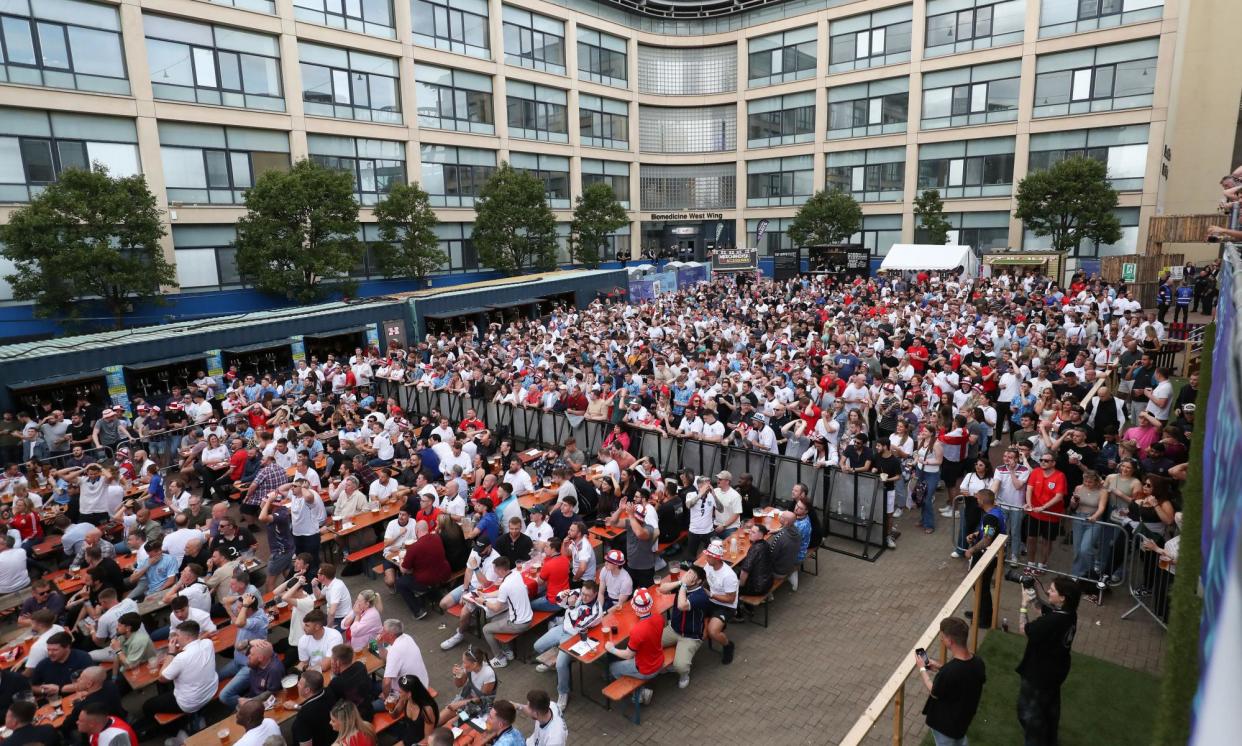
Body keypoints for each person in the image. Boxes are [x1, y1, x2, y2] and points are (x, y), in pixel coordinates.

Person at [1016, 575, 1080, 746]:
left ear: (1063, 598)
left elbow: (1024, 629)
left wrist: (1023, 605)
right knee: (1050, 712)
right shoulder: (1070, 614)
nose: (1048, 592)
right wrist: (1033, 595)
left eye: (1052, 591)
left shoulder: (1053, 621)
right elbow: (1043, 609)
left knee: (1029, 715)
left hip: (1039, 675)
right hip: (1056, 672)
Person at [531, 580, 603, 711]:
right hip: (562, 628)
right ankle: (553, 663)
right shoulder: (578, 593)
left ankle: (563, 692)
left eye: (588, 595)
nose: (584, 597)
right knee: (537, 646)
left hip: (574, 637)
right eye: (583, 593)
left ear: (595, 594)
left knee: (561, 664)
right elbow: (558, 601)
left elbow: (578, 624)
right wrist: (563, 595)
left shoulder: (596, 610)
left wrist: (570, 605)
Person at [917, 617, 987, 746]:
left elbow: (934, 692)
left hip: (946, 727)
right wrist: (939, 667)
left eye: (942, 636)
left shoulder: (949, 672)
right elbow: (961, 676)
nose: (941, 639)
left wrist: (922, 669)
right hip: (963, 722)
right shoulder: (978, 662)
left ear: (950, 640)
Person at [143, 620, 218, 720]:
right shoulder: (208, 643)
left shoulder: (181, 658)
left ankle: (173, 729)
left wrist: (171, 653)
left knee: (147, 705)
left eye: (177, 635)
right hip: (211, 690)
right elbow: (196, 642)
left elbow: (161, 678)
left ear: (187, 637)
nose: (175, 638)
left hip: (190, 703)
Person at [603, 589, 665, 704]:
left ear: (635, 608)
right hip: (659, 660)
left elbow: (628, 655)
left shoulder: (638, 630)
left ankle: (639, 693)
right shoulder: (659, 617)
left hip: (646, 669)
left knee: (612, 668)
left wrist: (611, 649)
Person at [657, 563, 710, 690]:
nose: (688, 575)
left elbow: (682, 605)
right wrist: (680, 582)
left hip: (690, 636)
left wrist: (683, 585)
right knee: (651, 642)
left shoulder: (701, 595)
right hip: (673, 629)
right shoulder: (682, 585)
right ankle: (663, 665)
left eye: (692, 574)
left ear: (698, 581)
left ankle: (684, 675)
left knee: (680, 666)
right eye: (688, 572)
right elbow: (662, 589)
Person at [478, 556, 534, 667]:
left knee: (486, 629)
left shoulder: (505, 585)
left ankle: (500, 658)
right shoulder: (516, 574)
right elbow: (502, 592)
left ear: (500, 570)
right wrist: (485, 595)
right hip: (528, 616)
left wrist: (483, 602)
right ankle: (508, 651)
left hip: (519, 623)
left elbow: (495, 608)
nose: (494, 572)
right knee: (494, 619)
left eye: (495, 570)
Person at [701, 542, 738, 664]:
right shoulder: (709, 565)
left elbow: (730, 599)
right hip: (711, 600)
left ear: (717, 558)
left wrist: (711, 595)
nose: (706, 558)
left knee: (713, 632)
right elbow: (706, 578)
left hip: (726, 606)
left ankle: (728, 645)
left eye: (709, 556)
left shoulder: (728, 576)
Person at [291, 669, 337, 746]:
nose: (297, 684)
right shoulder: (329, 692)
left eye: (300, 683)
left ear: (307, 690)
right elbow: (316, 707)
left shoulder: (302, 717)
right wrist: (296, 706)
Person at [391, 673, 439, 746]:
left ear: (409, 694)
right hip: (407, 737)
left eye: (400, 691)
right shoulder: (404, 699)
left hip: (420, 743)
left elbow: (427, 739)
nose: (398, 693)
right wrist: (390, 708)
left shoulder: (426, 710)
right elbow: (394, 715)